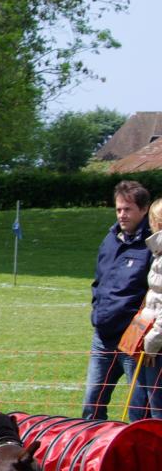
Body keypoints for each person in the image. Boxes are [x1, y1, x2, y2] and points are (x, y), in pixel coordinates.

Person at [82, 180, 152, 421]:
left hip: (134, 341)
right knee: (92, 403)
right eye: (118, 209)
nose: (122, 215)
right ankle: (92, 453)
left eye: (128, 209)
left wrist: (140, 329)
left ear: (143, 210)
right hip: (102, 337)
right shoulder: (110, 240)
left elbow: (154, 294)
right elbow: (99, 282)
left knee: (140, 410)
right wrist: (97, 311)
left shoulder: (153, 245)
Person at [134, 199, 162, 417]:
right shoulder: (157, 253)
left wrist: (151, 344)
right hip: (153, 339)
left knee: (157, 411)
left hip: (158, 347)